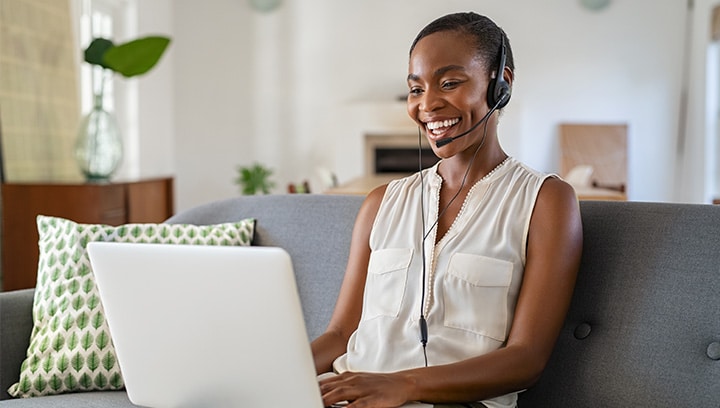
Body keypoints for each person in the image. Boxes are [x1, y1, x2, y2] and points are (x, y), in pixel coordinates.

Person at [312, 12, 583, 408]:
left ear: (500, 84)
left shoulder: (546, 201)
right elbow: (339, 335)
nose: (428, 104)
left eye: (450, 83)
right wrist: (275, 373)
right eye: (416, 89)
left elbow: (527, 359)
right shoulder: (379, 203)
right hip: (349, 395)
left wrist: (402, 386)